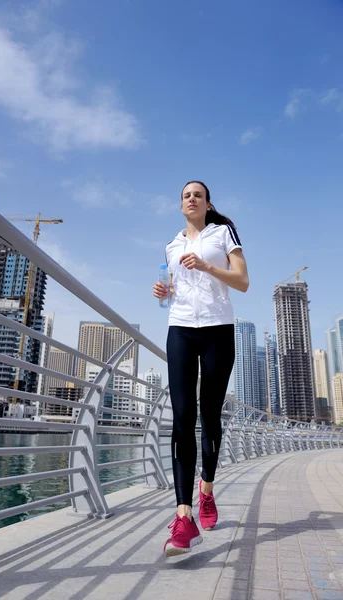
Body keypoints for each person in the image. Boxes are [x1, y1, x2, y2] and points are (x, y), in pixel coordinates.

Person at [153, 181, 249, 557]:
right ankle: (183, 516)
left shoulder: (222, 233)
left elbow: (242, 282)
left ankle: (206, 490)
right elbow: (175, 289)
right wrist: (165, 294)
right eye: (185, 195)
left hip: (217, 330)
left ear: (208, 204)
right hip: (179, 329)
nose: (190, 198)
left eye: (198, 194)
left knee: (209, 417)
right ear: (181, 206)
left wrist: (208, 265)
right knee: (181, 418)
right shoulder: (172, 244)